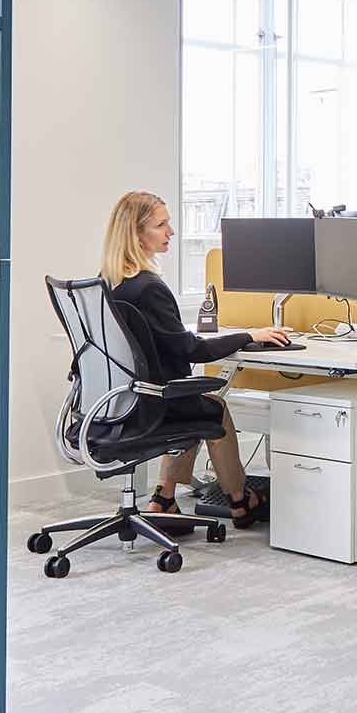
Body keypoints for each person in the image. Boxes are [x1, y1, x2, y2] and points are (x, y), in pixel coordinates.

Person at [98, 191, 291, 527]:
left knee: (192, 399)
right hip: (152, 404)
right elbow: (192, 350)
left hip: (123, 403)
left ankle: (164, 497)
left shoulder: (114, 286)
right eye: (161, 225)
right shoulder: (149, 288)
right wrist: (250, 335)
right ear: (136, 234)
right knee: (212, 406)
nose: (171, 231)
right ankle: (240, 500)